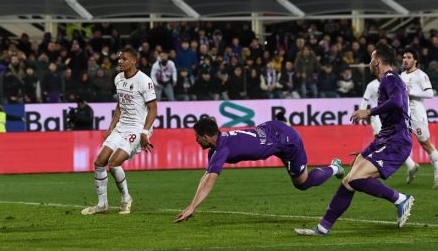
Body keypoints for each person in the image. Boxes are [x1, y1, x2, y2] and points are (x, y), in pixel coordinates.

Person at [295, 45, 414, 236]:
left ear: (376, 61)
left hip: (396, 141)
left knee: (358, 178)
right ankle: (323, 228)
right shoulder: (388, 80)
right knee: (349, 181)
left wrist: (369, 111)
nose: (369, 62)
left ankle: (400, 199)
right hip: (386, 138)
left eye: (371, 58)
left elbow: (398, 102)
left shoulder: (390, 78)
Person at [175, 117, 344, 223]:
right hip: (272, 129)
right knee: (300, 182)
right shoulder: (217, 146)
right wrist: (192, 205)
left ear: (205, 137)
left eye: (197, 137)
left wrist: (192, 207)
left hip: (287, 141)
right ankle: (333, 167)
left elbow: (210, 180)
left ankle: (335, 167)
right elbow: (206, 176)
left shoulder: (221, 149)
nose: (196, 141)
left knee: (303, 183)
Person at [82, 47, 157, 216]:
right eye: (119, 59)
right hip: (121, 126)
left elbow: (153, 109)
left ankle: (126, 198)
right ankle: (102, 205)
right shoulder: (118, 79)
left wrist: (144, 133)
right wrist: (111, 127)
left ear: (133, 61)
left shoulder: (144, 81)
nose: (120, 61)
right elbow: (120, 105)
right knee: (99, 162)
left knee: (114, 162)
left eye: (124, 59)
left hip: (137, 128)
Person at [400, 48, 438, 187]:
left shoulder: (421, 75)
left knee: (426, 145)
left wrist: (411, 92)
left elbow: (430, 94)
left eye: (409, 57)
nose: (405, 60)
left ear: (415, 60)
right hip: (403, 115)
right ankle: (411, 166)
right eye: (404, 57)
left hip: (417, 115)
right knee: (398, 143)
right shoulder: (402, 75)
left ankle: (437, 174)